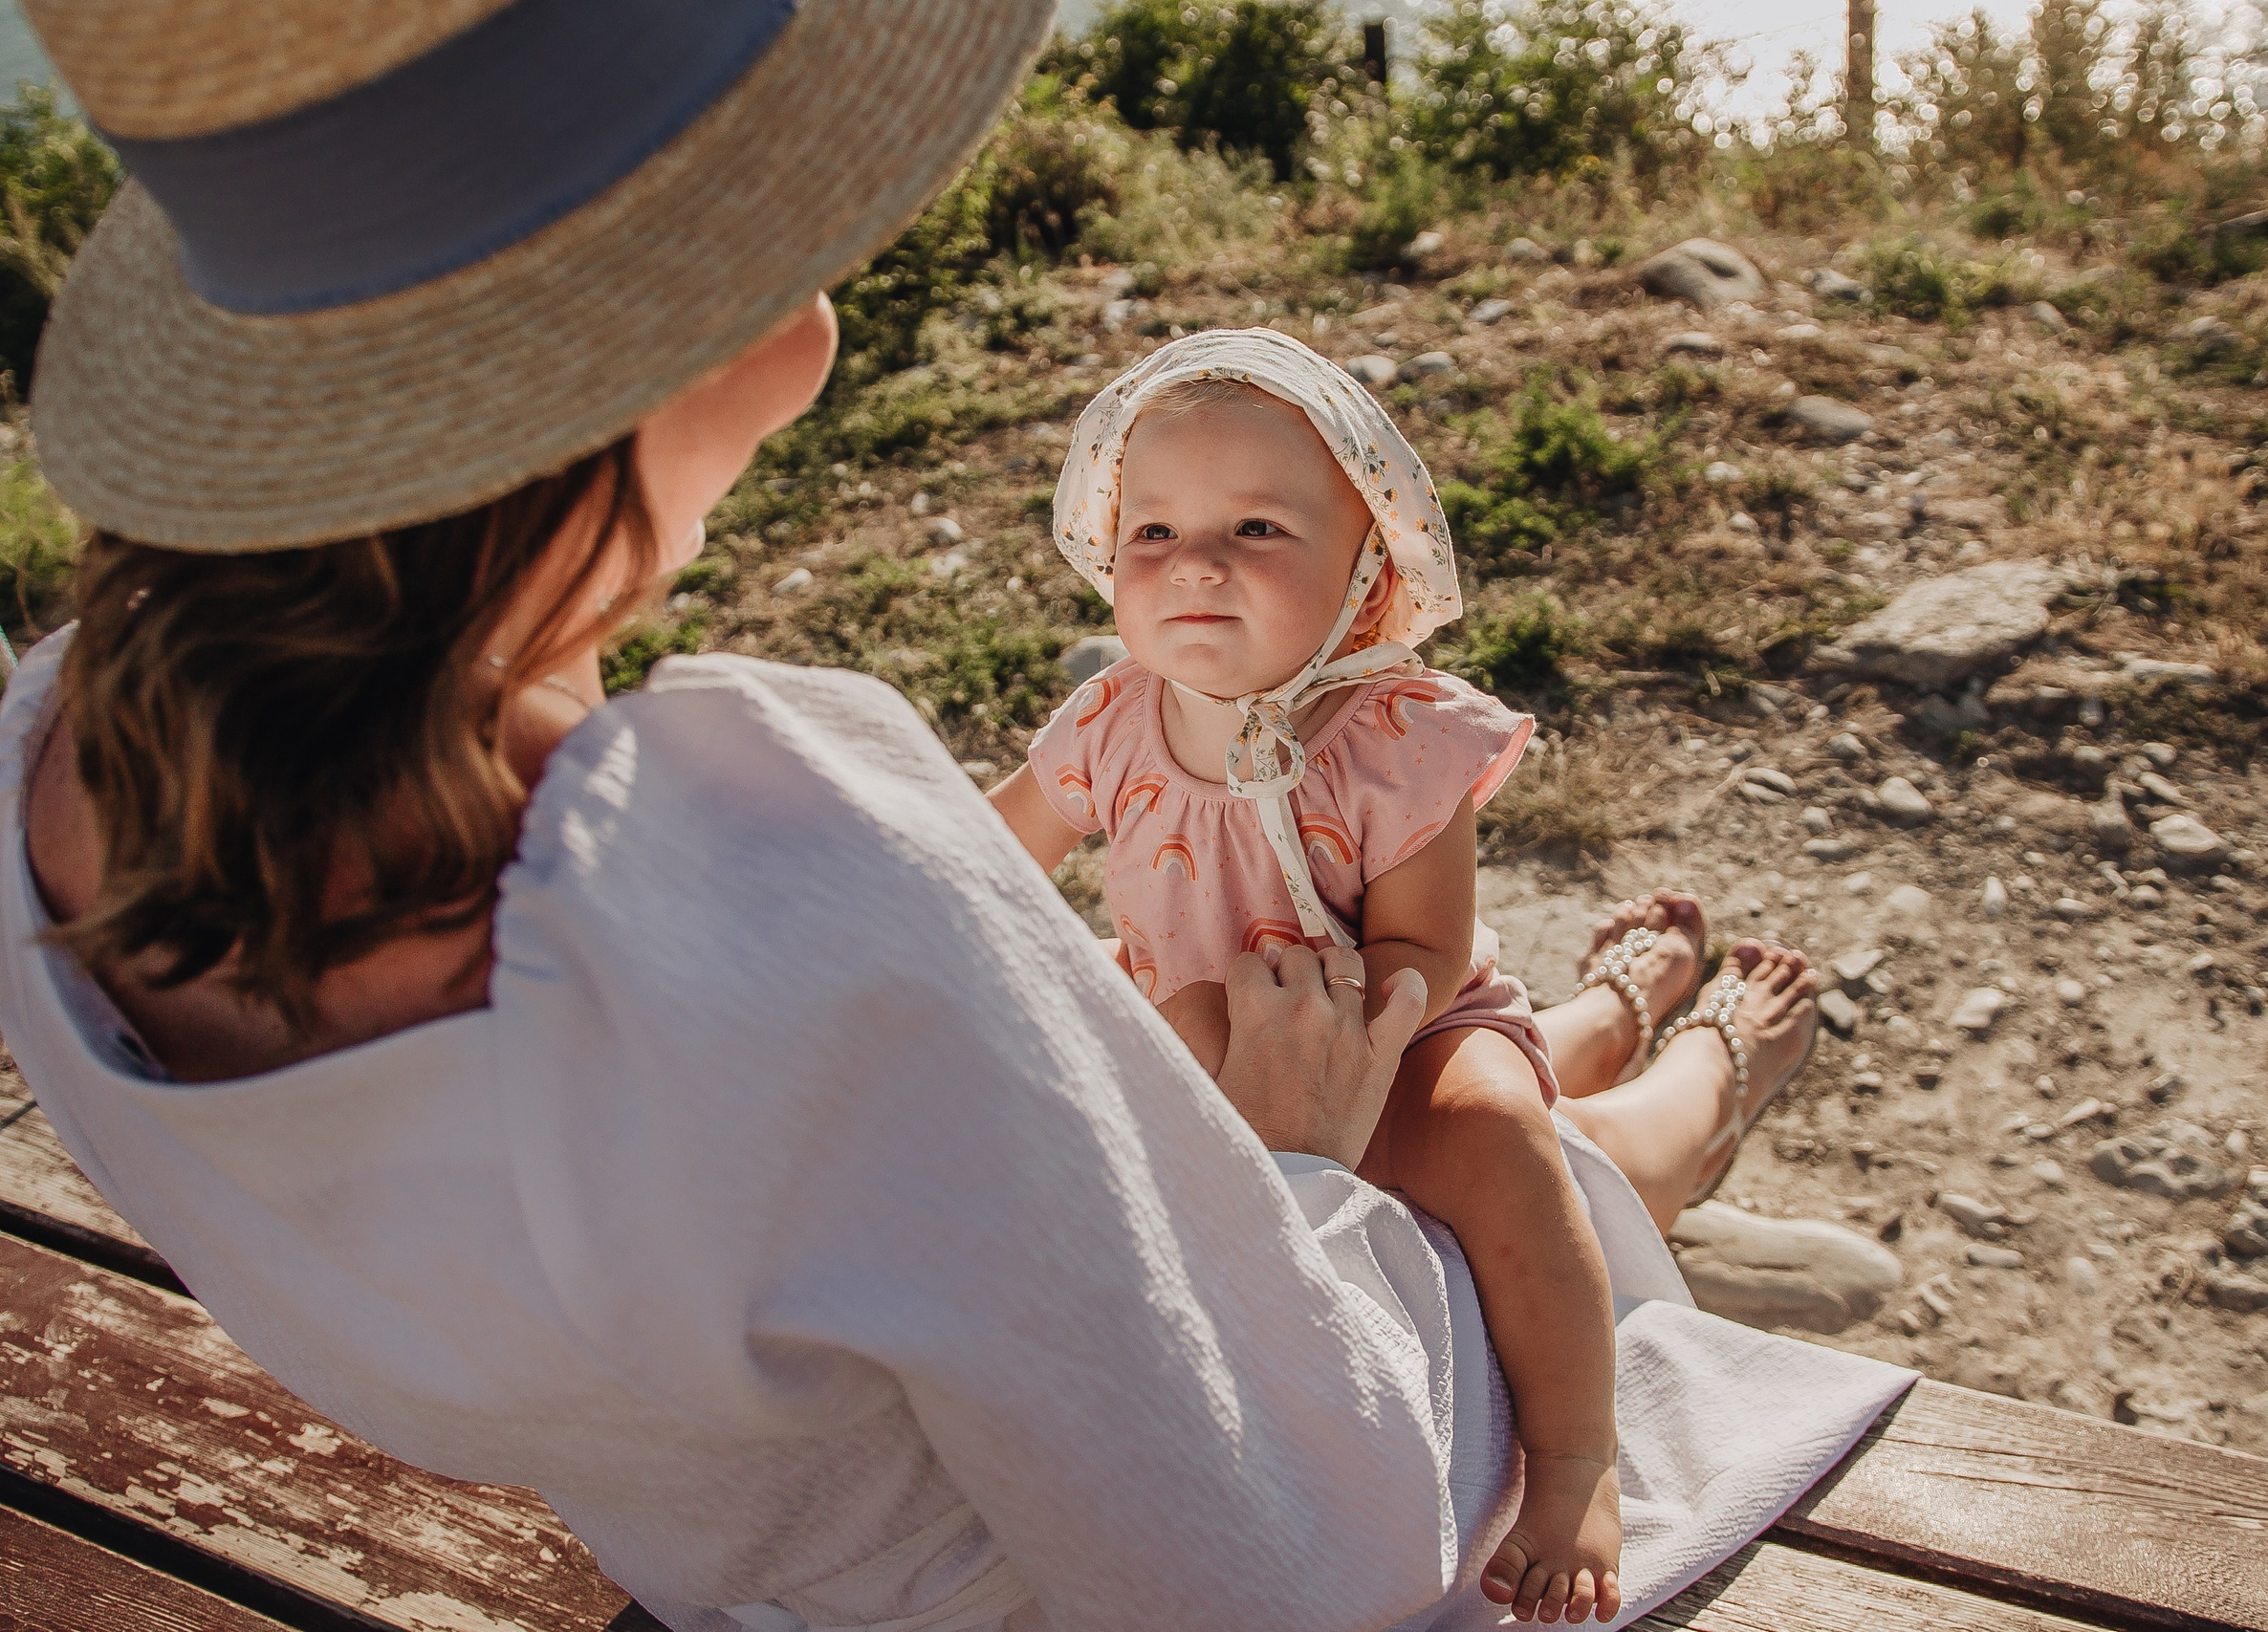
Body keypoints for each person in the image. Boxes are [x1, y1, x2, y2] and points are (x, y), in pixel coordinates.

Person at [0, 5, 1912, 1630]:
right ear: (755, 331)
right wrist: (1291, 1180)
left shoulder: (48, 754)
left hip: (729, 1553)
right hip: (1172, 1491)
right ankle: (1705, 1070)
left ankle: (1636, 1031)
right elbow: (1272, 1560)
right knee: (1513, 1172)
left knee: (1480, 1098)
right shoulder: (781, 872)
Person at [991, 331, 1822, 1621]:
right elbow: (991, 854)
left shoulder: (1392, 736)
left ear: (1366, 565)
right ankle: (1620, 1027)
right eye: (1151, 532)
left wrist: (1329, 1048)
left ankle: (1576, 1457)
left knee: (1501, 1136)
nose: (1195, 563)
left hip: (1403, 1031)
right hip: (1201, 1038)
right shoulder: (1109, 721)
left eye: (1258, 527)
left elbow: (1424, 948)